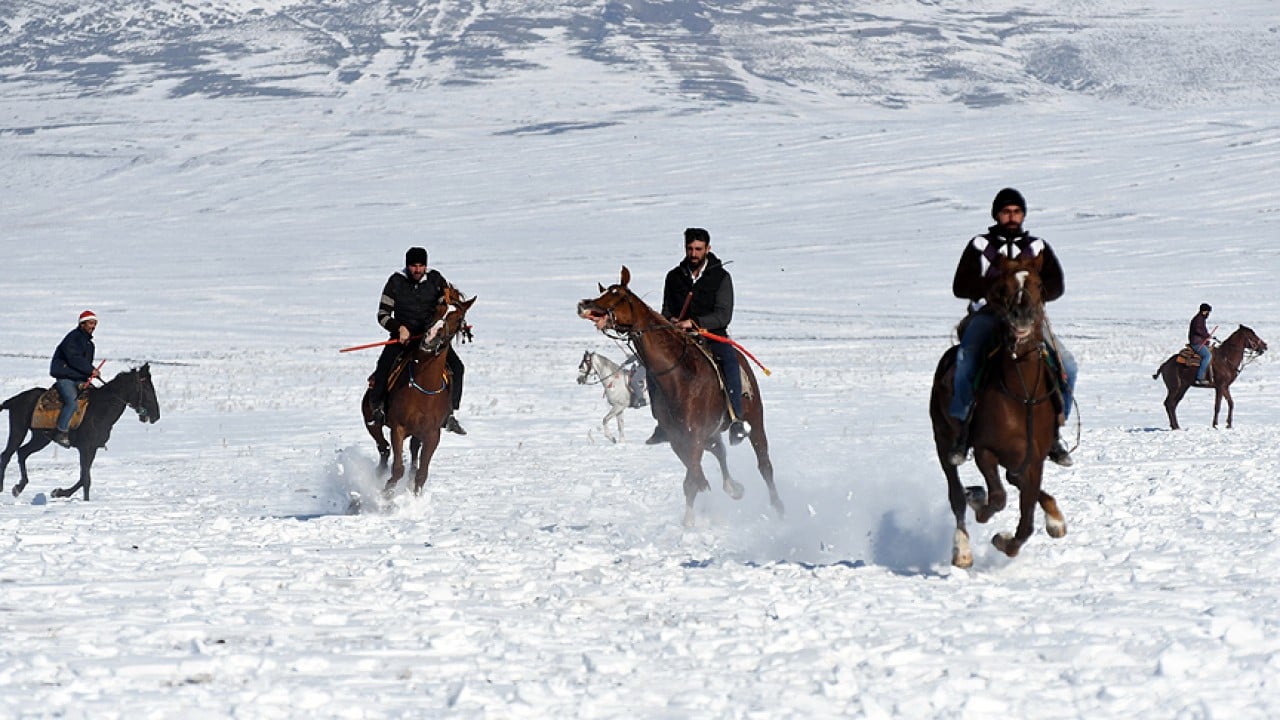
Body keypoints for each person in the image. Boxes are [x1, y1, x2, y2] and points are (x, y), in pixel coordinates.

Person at [948, 188, 1076, 467]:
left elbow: (1055, 285)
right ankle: (962, 430)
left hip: (1029, 318)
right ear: (996, 214)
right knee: (966, 359)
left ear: (1023, 214)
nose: (1011, 217)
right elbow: (960, 286)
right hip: (989, 315)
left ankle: (1054, 430)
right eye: (1006, 212)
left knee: (1068, 363)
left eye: (1016, 211)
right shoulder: (980, 246)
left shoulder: (1038, 247)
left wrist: (1035, 297)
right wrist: (995, 289)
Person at [645, 227, 749, 446]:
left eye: (698, 249)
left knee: (730, 361)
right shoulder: (673, 277)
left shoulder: (721, 277)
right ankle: (662, 422)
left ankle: (736, 419)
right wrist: (670, 321)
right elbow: (666, 309)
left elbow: (723, 315)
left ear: (708, 249)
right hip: (679, 338)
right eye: (690, 248)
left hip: (711, 335)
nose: (693, 253)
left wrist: (695, 323)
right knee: (652, 367)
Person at [368, 247, 467, 435]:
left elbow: (445, 305)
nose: (418, 270)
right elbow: (382, 314)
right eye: (414, 266)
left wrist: (444, 325)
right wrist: (399, 328)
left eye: (421, 266)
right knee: (383, 367)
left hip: (430, 338)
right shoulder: (395, 282)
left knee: (458, 367)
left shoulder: (436, 280)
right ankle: (379, 409)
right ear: (407, 266)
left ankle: (450, 414)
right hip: (403, 339)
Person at [49, 310, 101, 448]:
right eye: (91, 323)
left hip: (79, 379)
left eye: (95, 323)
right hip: (65, 376)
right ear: (82, 324)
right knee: (71, 402)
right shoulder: (73, 338)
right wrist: (91, 370)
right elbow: (74, 359)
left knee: (97, 398)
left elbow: (84, 364)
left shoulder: (90, 345)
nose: (93, 326)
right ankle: (61, 431)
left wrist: (89, 376)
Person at [1189, 303, 1214, 386]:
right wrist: (1206, 335)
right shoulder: (1198, 319)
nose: (1208, 314)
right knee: (1208, 356)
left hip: (1200, 342)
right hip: (1196, 343)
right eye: (1208, 312)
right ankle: (1199, 378)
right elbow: (1198, 330)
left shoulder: (1200, 319)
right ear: (1204, 311)